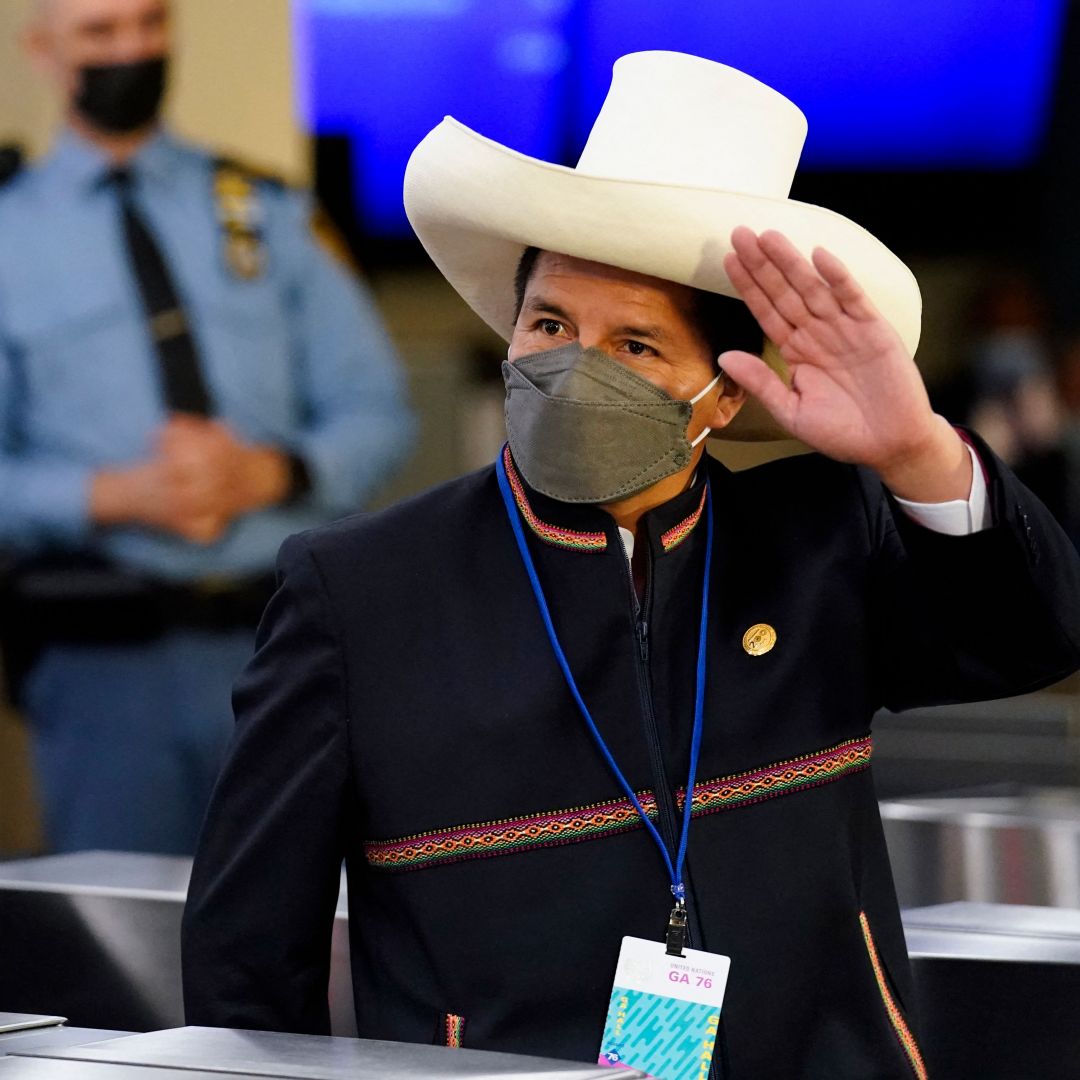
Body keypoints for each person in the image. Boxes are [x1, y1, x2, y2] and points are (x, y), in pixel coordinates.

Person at [182, 53, 1080, 1078]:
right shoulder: (359, 594)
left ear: (726, 395)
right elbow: (246, 958)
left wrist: (915, 449)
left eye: (638, 346)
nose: (576, 371)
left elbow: (1032, 634)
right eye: (552, 325)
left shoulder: (824, 535)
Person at [0, 0, 413, 855]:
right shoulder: (11, 231)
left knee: (311, 928)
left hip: (281, 642)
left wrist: (272, 473)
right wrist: (112, 495)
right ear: (40, 49)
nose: (133, 50)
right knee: (121, 946)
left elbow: (380, 411)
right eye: (101, 34)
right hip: (102, 659)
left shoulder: (264, 209)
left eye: (149, 25)